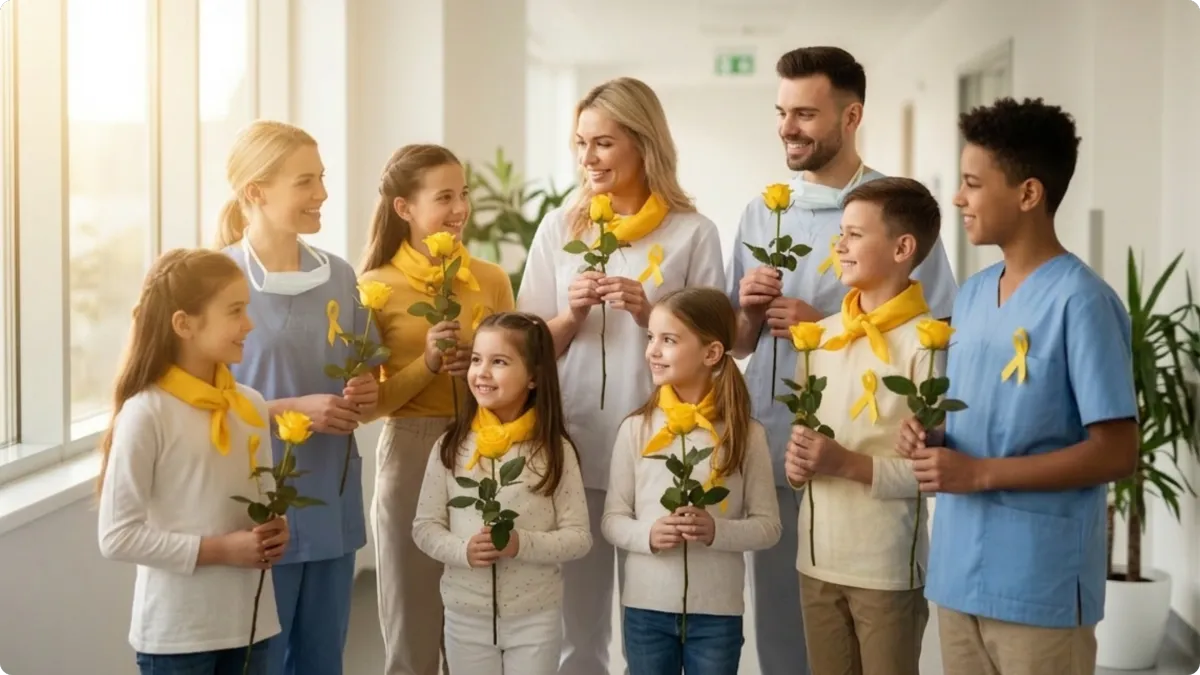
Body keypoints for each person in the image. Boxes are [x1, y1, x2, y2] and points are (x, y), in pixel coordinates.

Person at [723, 46, 958, 674]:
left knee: (872, 631)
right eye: (781, 112)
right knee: (782, 627)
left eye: (805, 113)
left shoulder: (895, 209)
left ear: (851, 116)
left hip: (870, 463)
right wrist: (747, 313)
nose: (787, 128)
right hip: (781, 447)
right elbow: (741, 345)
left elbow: (938, 336)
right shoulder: (758, 213)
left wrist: (821, 327)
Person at [896, 97, 1137, 675]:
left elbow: (1118, 450)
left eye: (972, 184)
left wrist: (979, 474)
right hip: (958, 573)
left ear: (1028, 194)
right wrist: (935, 437)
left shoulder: (1083, 302)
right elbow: (988, 414)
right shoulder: (974, 295)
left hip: (1040, 583)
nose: (958, 198)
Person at [517, 76, 726, 675]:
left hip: (663, 452)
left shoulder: (693, 232)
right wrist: (571, 314)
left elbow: (718, 349)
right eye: (581, 143)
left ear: (644, 145)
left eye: (603, 143)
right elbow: (526, 353)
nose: (588, 158)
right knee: (578, 632)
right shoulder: (560, 230)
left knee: (655, 625)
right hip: (574, 446)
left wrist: (650, 310)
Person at [214, 120, 379, 675]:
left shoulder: (340, 277)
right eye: (305, 181)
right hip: (256, 504)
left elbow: (369, 380)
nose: (322, 194)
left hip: (330, 500)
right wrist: (290, 411)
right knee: (260, 662)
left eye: (322, 178)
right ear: (255, 192)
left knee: (321, 662)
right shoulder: (217, 280)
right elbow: (195, 403)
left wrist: (364, 392)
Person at [359, 143, 515, 675]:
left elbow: (521, 378)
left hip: (486, 446)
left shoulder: (490, 279)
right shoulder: (374, 289)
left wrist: (487, 369)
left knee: (478, 620)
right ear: (404, 208)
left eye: (463, 194)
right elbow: (367, 406)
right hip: (410, 448)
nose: (460, 209)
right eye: (444, 196)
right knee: (413, 615)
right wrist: (426, 364)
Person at [97, 249, 290, 675]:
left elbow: (258, 507)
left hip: (253, 630)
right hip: (178, 638)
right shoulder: (147, 413)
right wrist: (221, 550)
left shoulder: (252, 406)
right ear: (184, 324)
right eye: (235, 311)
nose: (249, 324)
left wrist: (276, 531)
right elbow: (116, 536)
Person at [783, 177, 944, 675]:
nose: (840, 245)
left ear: (902, 248)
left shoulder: (930, 344)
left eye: (854, 234)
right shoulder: (819, 338)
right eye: (841, 233)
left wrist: (845, 464)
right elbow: (803, 457)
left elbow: (931, 476)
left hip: (886, 569)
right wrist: (797, 465)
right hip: (815, 562)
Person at [603, 287, 782, 675]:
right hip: (645, 610)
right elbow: (613, 519)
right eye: (651, 337)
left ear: (712, 353)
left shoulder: (747, 435)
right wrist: (649, 535)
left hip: (717, 615)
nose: (653, 350)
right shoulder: (635, 429)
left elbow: (769, 527)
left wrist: (716, 531)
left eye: (668, 340)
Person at [412, 312, 592, 675]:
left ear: (534, 377)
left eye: (499, 362)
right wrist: (463, 551)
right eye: (477, 359)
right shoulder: (451, 446)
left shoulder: (555, 451)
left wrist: (519, 544)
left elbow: (579, 539)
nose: (482, 372)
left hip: (535, 619)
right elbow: (424, 527)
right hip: (465, 617)